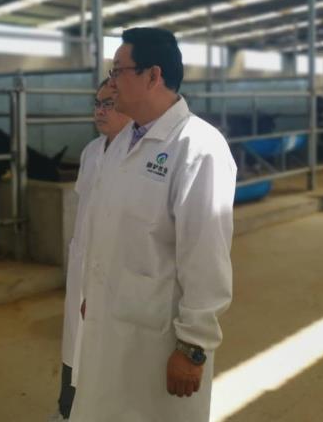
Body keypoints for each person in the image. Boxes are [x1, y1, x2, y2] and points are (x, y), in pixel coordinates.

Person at [69, 28, 236, 422]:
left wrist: (193, 345)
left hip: (155, 336)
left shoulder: (198, 148)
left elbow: (206, 256)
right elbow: (108, 226)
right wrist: (94, 289)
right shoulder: (120, 143)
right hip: (109, 318)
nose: (111, 82)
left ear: (153, 76)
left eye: (118, 70)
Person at [48, 79, 130, 422]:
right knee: (74, 345)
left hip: (115, 272)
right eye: (97, 103)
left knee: (108, 356)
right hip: (83, 263)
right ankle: (67, 409)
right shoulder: (92, 151)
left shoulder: (137, 155)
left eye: (109, 103)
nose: (100, 111)